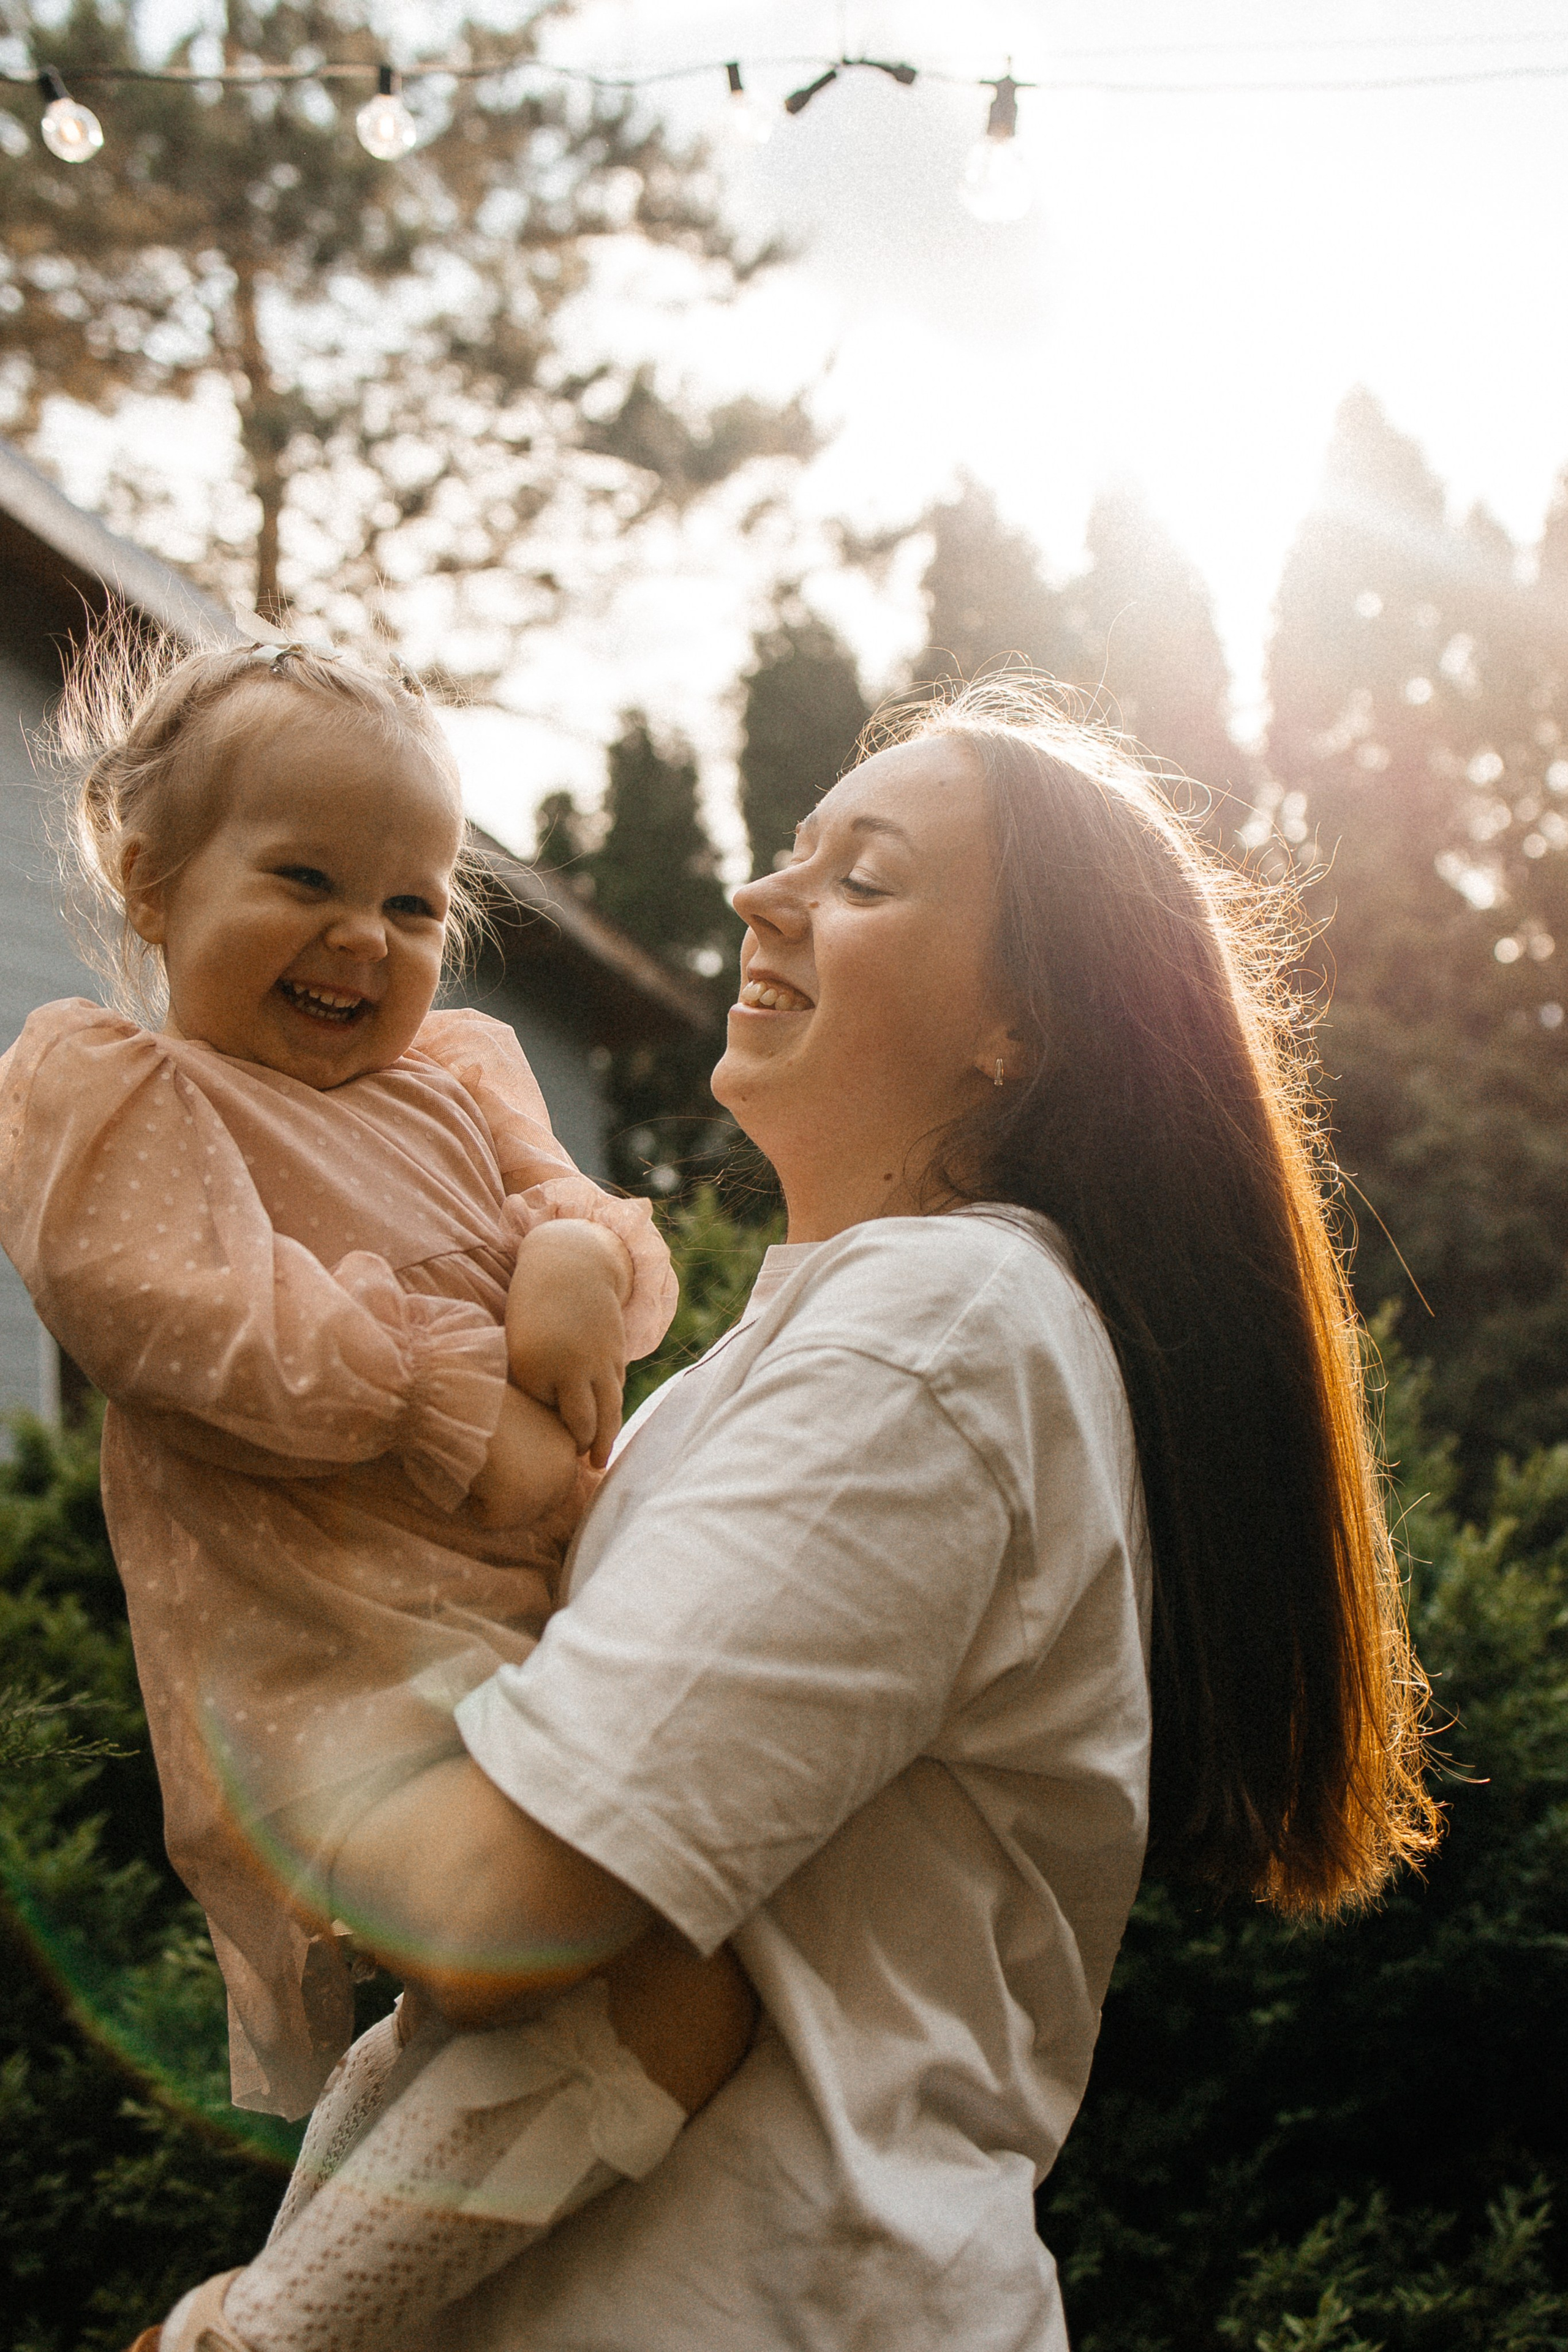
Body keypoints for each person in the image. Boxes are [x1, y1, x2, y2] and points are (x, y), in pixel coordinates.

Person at [177, 673, 1434, 2352]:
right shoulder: (796, 1353)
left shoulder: (942, 1330)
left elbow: (494, 1909)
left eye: (866, 879)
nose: (762, 895)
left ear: (1020, 1030)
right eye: (793, 850)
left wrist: (256, 1717)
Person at [0, 631, 757, 2352]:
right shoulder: (119, 1097)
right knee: (546, 1957)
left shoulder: (465, 1080)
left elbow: (610, 1259)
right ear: (150, 878)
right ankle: (278, 2333)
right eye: (308, 880)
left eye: (413, 904)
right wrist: (448, 1400)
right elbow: (190, 1325)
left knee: (643, 2000)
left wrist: (573, 1257)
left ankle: (270, 2319)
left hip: (542, 1641)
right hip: (334, 1688)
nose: (366, 937)